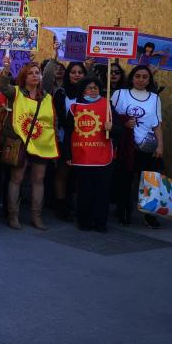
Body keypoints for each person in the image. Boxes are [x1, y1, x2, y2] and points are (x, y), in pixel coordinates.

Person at [0, 61, 59, 230]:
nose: (34, 75)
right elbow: (2, 86)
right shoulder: (14, 92)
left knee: (39, 179)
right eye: (30, 73)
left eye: (37, 72)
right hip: (19, 141)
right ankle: (13, 216)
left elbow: (52, 120)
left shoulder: (46, 97)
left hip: (41, 143)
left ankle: (36, 217)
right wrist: (6, 71)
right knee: (16, 179)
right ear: (24, 76)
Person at [62, 77, 120, 232]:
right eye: (89, 88)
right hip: (82, 156)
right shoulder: (74, 107)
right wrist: (67, 154)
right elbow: (68, 133)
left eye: (95, 87)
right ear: (82, 90)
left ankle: (101, 223)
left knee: (102, 192)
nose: (93, 90)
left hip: (103, 156)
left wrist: (112, 127)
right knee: (84, 192)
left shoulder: (108, 105)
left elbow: (120, 130)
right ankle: (84, 222)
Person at [111, 65, 164, 229]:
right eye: (138, 76)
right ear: (132, 77)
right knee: (125, 181)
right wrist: (124, 122)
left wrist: (160, 146)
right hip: (126, 146)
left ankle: (150, 216)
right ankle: (124, 212)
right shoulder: (120, 94)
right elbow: (109, 116)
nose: (141, 80)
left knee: (150, 182)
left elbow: (157, 125)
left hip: (147, 147)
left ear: (149, 80)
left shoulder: (155, 98)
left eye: (145, 77)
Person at [52, 61, 88, 221]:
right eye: (73, 72)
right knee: (62, 172)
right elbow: (59, 117)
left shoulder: (89, 94)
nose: (77, 75)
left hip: (85, 139)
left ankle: (78, 203)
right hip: (64, 138)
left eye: (80, 72)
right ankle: (60, 205)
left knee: (81, 175)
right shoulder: (61, 93)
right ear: (68, 74)